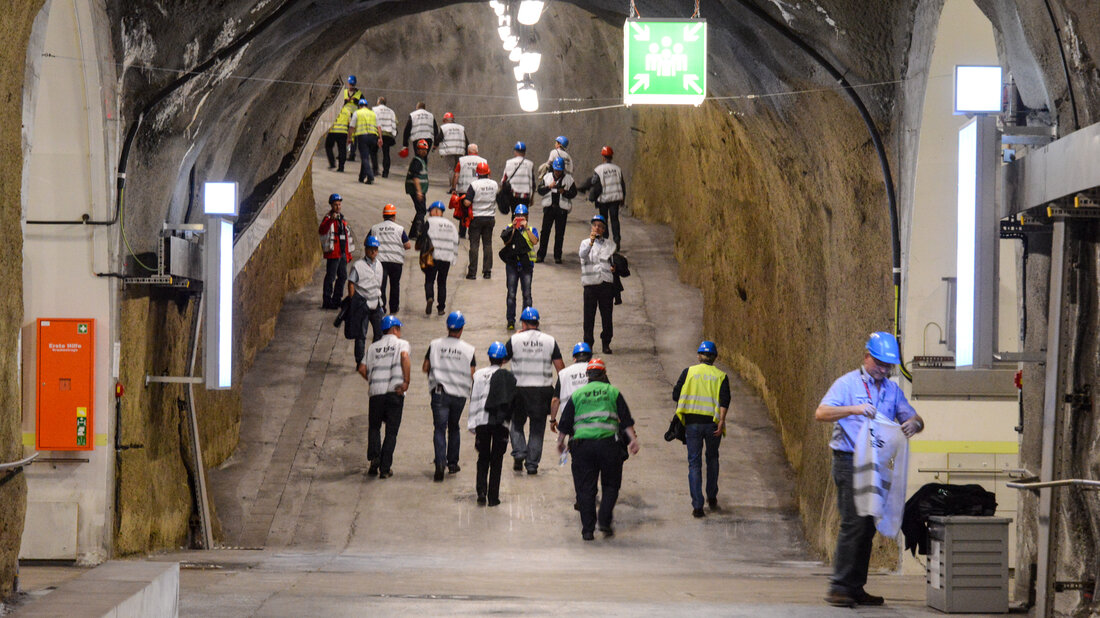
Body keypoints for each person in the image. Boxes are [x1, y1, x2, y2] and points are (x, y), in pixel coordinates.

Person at [814, 331, 925, 608]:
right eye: (879, 363)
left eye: (888, 366)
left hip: (875, 465)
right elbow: (821, 413)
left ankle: (855, 587)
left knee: (867, 524)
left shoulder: (891, 390)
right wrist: (853, 409)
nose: (883, 369)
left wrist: (915, 424)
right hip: (849, 460)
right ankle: (839, 587)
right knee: (853, 521)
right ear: (867, 356)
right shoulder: (847, 384)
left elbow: (913, 416)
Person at [556, 358, 639, 540]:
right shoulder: (612, 392)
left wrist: (560, 443)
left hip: (583, 447)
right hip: (609, 445)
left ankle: (587, 530)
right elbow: (625, 420)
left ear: (588, 376)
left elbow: (565, 422)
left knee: (586, 488)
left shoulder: (577, 395)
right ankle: (604, 520)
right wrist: (632, 440)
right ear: (604, 374)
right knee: (610, 485)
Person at [673, 340, 731, 518]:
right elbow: (724, 400)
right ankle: (712, 497)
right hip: (713, 424)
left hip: (692, 424)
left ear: (699, 356)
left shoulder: (688, 372)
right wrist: (721, 421)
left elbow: (676, 394)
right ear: (715, 357)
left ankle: (698, 506)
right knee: (712, 458)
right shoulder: (721, 376)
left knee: (694, 462)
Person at [505, 306, 565, 475]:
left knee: (516, 424)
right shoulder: (550, 341)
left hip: (519, 390)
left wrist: (514, 338)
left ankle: (519, 452)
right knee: (537, 429)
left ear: (523, 323)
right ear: (537, 323)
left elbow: (501, 359)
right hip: (542, 391)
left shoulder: (515, 340)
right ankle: (531, 465)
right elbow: (561, 369)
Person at [424, 311, 476, 481]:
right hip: (459, 395)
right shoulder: (468, 350)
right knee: (454, 426)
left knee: (439, 428)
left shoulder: (435, 345)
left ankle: (440, 463)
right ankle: (453, 464)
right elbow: (472, 374)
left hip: (440, 393)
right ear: (461, 329)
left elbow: (426, 367)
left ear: (447, 327)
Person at [468, 341, 517, 506]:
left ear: (489, 357)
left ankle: (481, 491)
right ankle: (493, 497)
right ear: (504, 360)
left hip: (482, 421)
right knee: (497, 460)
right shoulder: (509, 378)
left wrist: (472, 424)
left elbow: (474, 399)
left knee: (483, 457)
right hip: (500, 424)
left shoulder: (478, 375)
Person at [362, 315, 411, 479]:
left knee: (375, 427)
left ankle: (374, 457)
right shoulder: (401, 344)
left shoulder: (373, 347)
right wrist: (406, 381)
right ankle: (384, 468)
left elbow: (362, 368)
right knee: (391, 432)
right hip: (395, 392)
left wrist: (373, 379)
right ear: (395, 329)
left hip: (376, 393)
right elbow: (404, 357)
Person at [579, 214, 617, 354]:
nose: (597, 228)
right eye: (595, 225)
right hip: (590, 284)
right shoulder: (584, 243)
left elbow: (612, 261)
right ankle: (588, 344)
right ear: (591, 227)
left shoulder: (610, 245)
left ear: (604, 229)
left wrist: (614, 268)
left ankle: (606, 342)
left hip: (605, 284)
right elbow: (583, 255)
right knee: (589, 316)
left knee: (607, 316)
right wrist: (591, 242)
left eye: (600, 226)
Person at [348, 236, 385, 368]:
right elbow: (351, 283)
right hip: (363, 304)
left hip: (376, 303)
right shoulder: (358, 266)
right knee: (361, 334)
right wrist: (353, 301)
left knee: (379, 333)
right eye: (371, 249)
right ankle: (360, 361)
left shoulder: (379, 265)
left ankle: (374, 358)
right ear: (366, 250)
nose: (373, 252)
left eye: (375, 249)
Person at [499, 205, 538, 330]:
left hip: (526, 266)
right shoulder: (509, 228)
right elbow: (506, 242)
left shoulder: (532, 229)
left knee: (527, 294)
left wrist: (526, 229)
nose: (520, 218)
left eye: (522, 216)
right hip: (512, 266)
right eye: (517, 216)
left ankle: (527, 320)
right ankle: (510, 320)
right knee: (511, 293)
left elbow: (535, 241)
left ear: (527, 217)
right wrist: (514, 229)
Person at [535, 157, 577, 264]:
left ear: (563, 169)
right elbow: (539, 190)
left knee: (559, 234)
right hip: (549, 209)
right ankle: (541, 255)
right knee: (544, 233)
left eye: (559, 170)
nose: (557, 172)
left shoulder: (569, 179)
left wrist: (564, 192)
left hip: (561, 211)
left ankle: (557, 256)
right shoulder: (547, 177)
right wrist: (549, 187)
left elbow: (574, 193)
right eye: (556, 170)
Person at [369, 203, 410, 313]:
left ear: (383, 216)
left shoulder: (375, 228)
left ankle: (382, 307)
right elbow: (408, 245)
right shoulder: (399, 229)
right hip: (396, 262)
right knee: (395, 285)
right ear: (394, 216)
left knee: (381, 285)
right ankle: (394, 307)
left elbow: (366, 242)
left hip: (380, 262)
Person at [421, 201, 459, 316]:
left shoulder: (428, 222)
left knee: (429, 280)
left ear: (434, 211)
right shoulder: (451, 225)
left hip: (432, 257)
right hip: (446, 258)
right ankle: (441, 308)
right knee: (442, 282)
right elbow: (456, 241)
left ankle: (430, 297)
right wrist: (454, 257)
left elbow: (421, 238)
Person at [463, 161, 499, 280]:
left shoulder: (474, 185)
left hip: (476, 219)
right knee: (487, 244)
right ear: (488, 172)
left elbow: (467, 202)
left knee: (474, 245)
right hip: (490, 218)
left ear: (477, 173)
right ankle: (487, 271)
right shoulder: (494, 184)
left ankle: (472, 273)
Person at [318, 193, 353, 309]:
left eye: (339, 204)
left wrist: (347, 254)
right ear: (331, 206)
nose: (338, 207)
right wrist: (330, 221)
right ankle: (327, 300)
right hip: (333, 254)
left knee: (342, 276)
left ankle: (337, 299)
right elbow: (322, 230)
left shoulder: (341, 219)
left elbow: (346, 237)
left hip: (341, 253)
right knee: (331, 277)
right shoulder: (328, 218)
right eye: (335, 205)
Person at [549, 342, 592, 433]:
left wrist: (553, 420)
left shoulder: (564, 374)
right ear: (590, 357)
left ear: (574, 358)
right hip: (594, 416)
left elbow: (555, 400)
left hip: (570, 418)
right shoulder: (597, 371)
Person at [589, 145, 626, 247]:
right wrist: (623, 198)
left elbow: (594, 182)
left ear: (603, 157)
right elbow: (622, 184)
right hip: (615, 198)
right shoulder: (617, 169)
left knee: (603, 220)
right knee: (615, 220)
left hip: (604, 199)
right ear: (611, 157)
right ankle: (617, 241)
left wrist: (592, 197)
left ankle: (604, 240)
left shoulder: (599, 169)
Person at [451, 144, 487, 239]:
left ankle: (462, 233)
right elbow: (488, 176)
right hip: (478, 190)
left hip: (464, 190)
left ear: (468, 151)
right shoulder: (483, 161)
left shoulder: (462, 161)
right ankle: (473, 233)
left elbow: (456, 175)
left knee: (464, 212)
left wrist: (454, 188)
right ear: (477, 152)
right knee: (475, 212)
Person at [349, 98, 380, 184]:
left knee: (364, 157)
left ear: (359, 106)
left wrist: (349, 138)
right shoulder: (373, 114)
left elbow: (352, 127)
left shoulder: (357, 113)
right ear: (366, 106)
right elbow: (379, 127)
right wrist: (380, 138)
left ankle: (370, 176)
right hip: (374, 137)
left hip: (363, 137)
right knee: (365, 156)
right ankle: (361, 177)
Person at [501, 141, 536, 215]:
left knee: (514, 215)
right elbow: (532, 182)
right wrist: (532, 197)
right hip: (525, 196)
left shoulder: (509, 162)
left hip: (513, 195)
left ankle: (515, 225)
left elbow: (504, 180)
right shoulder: (530, 164)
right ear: (524, 152)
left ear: (515, 151)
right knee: (524, 215)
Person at [405, 139, 430, 240]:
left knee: (421, 210)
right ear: (418, 150)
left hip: (419, 191)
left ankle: (413, 233)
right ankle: (419, 233)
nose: (424, 151)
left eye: (425, 150)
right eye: (422, 149)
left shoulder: (422, 160)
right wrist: (419, 191)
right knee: (421, 211)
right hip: (416, 191)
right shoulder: (417, 161)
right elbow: (415, 177)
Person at [325, 98, 356, 172]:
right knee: (342, 149)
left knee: (328, 146)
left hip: (333, 131)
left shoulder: (333, 110)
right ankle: (341, 167)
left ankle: (332, 163)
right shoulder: (347, 112)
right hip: (343, 133)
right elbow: (350, 123)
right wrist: (350, 136)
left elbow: (328, 120)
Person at [374, 96, 398, 178]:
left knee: (374, 152)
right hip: (387, 134)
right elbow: (395, 122)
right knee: (386, 153)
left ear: (378, 102)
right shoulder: (391, 111)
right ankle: (385, 172)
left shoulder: (375, 110)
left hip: (377, 134)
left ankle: (375, 170)